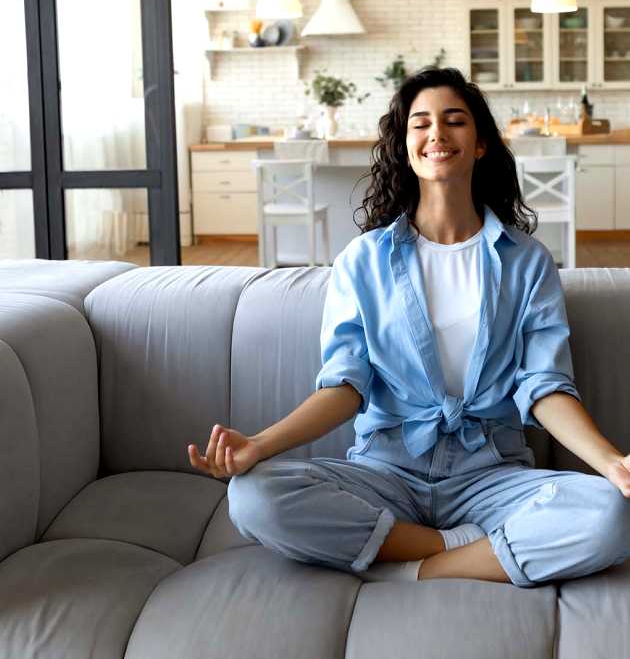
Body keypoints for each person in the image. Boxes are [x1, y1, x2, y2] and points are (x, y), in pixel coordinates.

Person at [188, 66, 630, 587]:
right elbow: (346, 385)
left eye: (454, 120)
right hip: (385, 472)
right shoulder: (363, 260)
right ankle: (458, 548)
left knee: (612, 514)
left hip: (492, 476)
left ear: (481, 142)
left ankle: (411, 567)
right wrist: (259, 446)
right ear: (405, 145)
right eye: (420, 123)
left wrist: (613, 465)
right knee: (252, 497)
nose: (437, 134)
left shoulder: (527, 262)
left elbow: (544, 387)